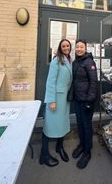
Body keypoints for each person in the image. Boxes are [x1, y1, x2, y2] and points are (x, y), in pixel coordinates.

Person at [39, 39, 72, 167]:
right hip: (56, 100)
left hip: (64, 99)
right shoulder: (56, 61)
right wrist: (51, 100)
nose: (65, 48)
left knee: (62, 124)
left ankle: (59, 147)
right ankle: (44, 155)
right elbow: (50, 82)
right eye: (63, 46)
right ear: (60, 47)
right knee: (49, 126)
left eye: (67, 45)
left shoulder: (69, 60)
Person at [72, 39, 98, 169]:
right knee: (80, 124)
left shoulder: (89, 62)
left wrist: (89, 101)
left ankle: (87, 152)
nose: (79, 49)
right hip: (77, 99)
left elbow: (94, 83)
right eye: (77, 47)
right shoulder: (75, 62)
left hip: (87, 101)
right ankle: (82, 145)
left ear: (85, 48)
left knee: (87, 126)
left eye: (81, 47)